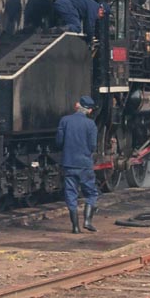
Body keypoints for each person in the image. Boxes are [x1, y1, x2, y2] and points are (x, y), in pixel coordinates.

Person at [56, 95, 99, 234]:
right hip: (85, 164)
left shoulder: (65, 120)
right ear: (90, 111)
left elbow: (59, 142)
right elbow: (93, 145)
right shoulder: (90, 124)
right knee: (91, 193)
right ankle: (87, 221)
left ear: (77, 106)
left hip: (69, 163)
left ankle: (75, 227)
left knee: (71, 193)